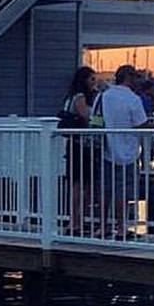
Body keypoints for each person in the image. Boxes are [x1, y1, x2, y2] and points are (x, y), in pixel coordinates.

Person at [92, 65, 154, 236]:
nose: (137, 81)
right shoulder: (133, 99)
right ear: (128, 78)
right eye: (135, 77)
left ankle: (102, 226)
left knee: (105, 190)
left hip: (105, 149)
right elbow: (141, 125)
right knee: (122, 191)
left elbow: (94, 119)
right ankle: (120, 227)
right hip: (128, 151)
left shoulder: (103, 96)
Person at [60, 66, 99, 235]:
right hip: (81, 145)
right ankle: (76, 221)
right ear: (84, 80)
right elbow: (86, 117)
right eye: (91, 79)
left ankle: (77, 221)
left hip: (77, 144)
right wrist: (102, 121)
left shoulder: (71, 96)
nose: (94, 83)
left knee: (81, 184)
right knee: (81, 184)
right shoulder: (80, 97)